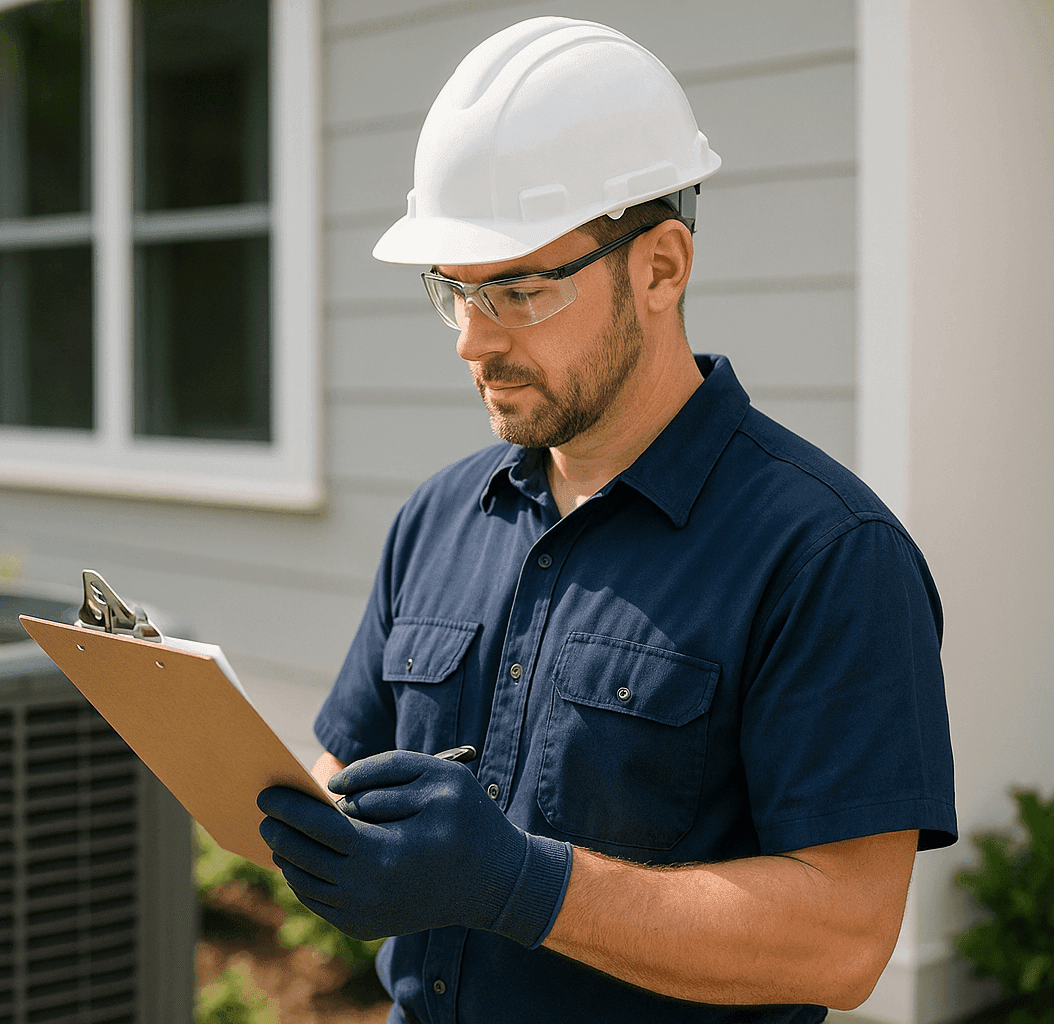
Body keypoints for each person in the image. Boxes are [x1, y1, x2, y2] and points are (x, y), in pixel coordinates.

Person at [255, 17, 956, 1024]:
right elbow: (341, 770)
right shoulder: (439, 515)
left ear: (662, 267)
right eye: (454, 291)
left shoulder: (830, 553)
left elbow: (845, 938)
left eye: (517, 290)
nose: (472, 341)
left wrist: (523, 884)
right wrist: (328, 834)